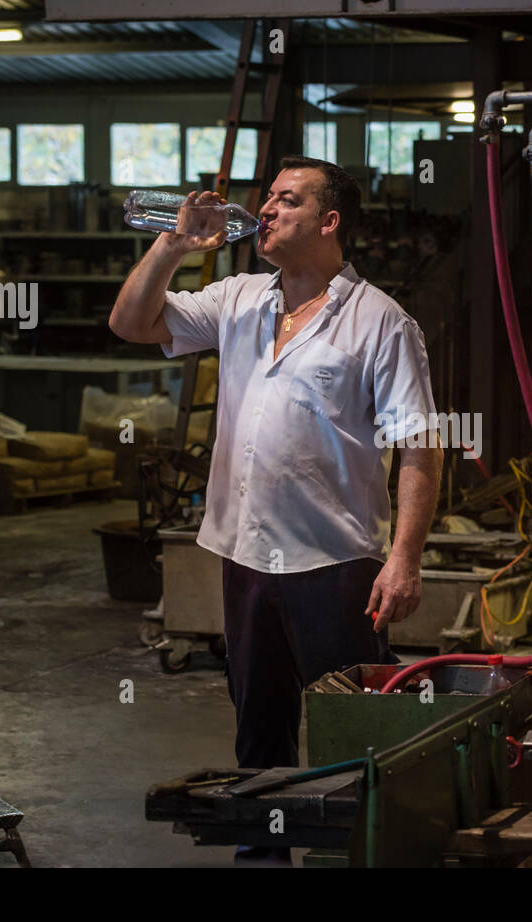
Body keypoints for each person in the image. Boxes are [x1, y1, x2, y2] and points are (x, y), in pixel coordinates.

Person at [108, 156, 443, 864]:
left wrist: (405, 557)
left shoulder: (381, 322)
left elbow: (419, 447)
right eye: (267, 198)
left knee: (351, 738)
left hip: (336, 565)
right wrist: (172, 243)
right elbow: (130, 321)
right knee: (258, 741)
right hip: (248, 560)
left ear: (329, 221)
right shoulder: (238, 299)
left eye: (287, 201)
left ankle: (362, 855)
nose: (265, 210)